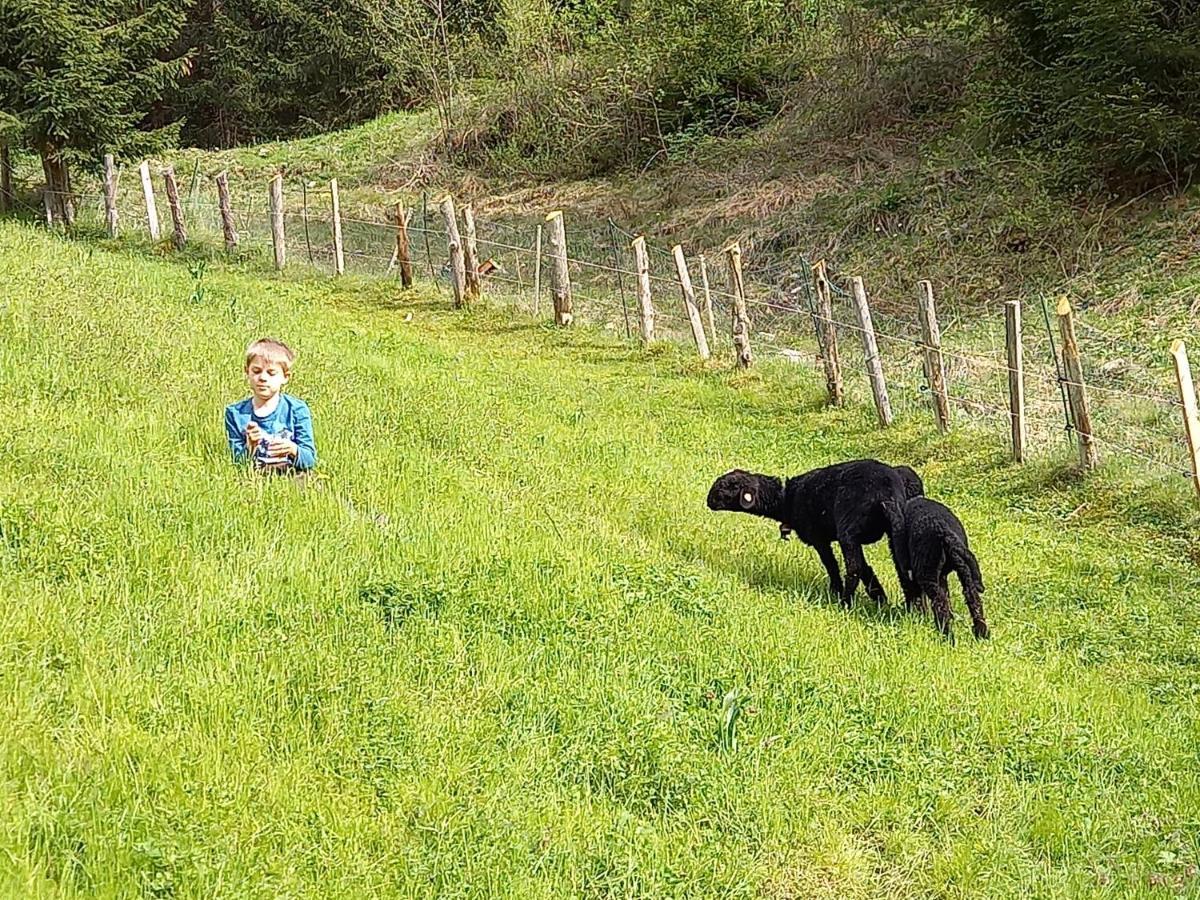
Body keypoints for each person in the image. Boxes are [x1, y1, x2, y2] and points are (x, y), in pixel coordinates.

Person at [224, 338, 317, 472]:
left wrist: (293, 449)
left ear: (285, 377)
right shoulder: (235, 413)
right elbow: (237, 463)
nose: (263, 378)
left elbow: (309, 460)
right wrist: (250, 446)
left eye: (271, 373)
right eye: (256, 371)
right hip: (254, 477)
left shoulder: (297, 410)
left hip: (291, 474)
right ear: (247, 372)